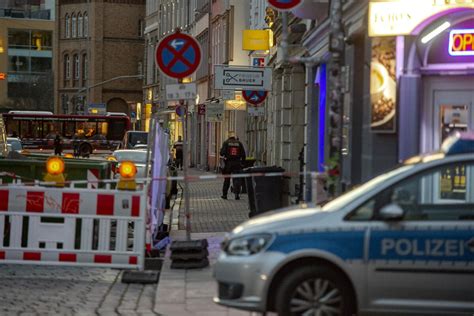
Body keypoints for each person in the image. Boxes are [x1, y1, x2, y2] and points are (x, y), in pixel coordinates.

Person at [220, 131, 246, 200]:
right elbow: (243, 154)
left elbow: (222, 153)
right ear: (235, 137)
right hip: (237, 163)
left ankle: (224, 195)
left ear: (229, 136)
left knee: (227, 179)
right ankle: (237, 194)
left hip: (228, 163)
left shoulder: (226, 142)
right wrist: (242, 163)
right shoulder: (239, 143)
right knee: (237, 179)